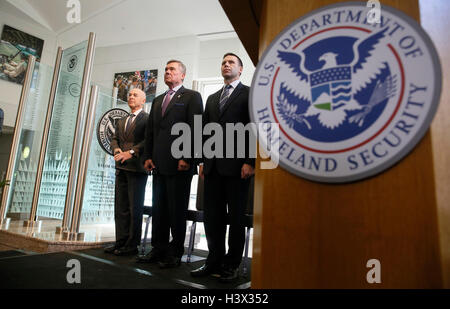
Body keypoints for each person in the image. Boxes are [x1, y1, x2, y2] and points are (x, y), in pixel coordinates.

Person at [191, 53, 255, 282]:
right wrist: (202, 161)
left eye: (231, 63)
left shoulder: (250, 94)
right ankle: (213, 260)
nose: (226, 65)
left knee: (236, 218)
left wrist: (250, 161)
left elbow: (254, 128)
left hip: (238, 168)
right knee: (212, 218)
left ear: (241, 68)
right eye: (223, 62)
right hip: (213, 168)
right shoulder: (212, 98)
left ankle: (231, 264)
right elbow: (205, 132)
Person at [138, 60, 203, 268]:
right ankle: (158, 249)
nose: (167, 72)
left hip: (179, 165)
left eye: (172, 69)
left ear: (182, 75)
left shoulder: (192, 97)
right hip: (157, 164)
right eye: (166, 69)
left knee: (176, 210)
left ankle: (175, 253)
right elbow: (151, 133)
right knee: (159, 209)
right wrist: (147, 156)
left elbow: (196, 129)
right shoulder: (157, 100)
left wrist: (188, 157)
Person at [104, 88, 149, 256]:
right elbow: (115, 138)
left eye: (135, 95)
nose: (131, 97)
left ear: (143, 101)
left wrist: (129, 153)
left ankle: (131, 245)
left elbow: (147, 140)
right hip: (120, 168)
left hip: (137, 169)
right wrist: (116, 150)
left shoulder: (147, 119)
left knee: (134, 208)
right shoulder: (122, 120)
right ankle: (120, 242)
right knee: (120, 208)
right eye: (129, 94)